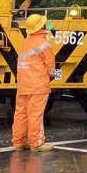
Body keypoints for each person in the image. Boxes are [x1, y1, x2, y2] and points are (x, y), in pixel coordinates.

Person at [11, 13, 56, 152]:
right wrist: (51, 75)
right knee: (35, 114)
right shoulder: (43, 42)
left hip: (23, 84)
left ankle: (19, 142)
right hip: (38, 84)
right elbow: (49, 63)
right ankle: (36, 143)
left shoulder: (26, 41)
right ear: (42, 26)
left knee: (21, 114)